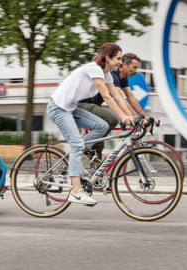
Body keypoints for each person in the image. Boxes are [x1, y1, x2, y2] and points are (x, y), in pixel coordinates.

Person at [46, 43, 134, 205]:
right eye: (118, 59)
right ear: (107, 58)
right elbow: (107, 97)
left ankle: (79, 152)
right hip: (58, 108)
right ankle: (76, 191)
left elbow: (117, 96)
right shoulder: (94, 69)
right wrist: (122, 116)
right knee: (77, 145)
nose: (120, 62)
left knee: (102, 126)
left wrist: (131, 117)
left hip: (70, 108)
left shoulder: (107, 75)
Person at [77, 53, 150, 160]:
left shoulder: (123, 78)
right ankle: (85, 148)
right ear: (125, 65)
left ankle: (95, 172)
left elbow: (131, 97)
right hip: (83, 104)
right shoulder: (113, 74)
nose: (136, 71)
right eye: (134, 67)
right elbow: (120, 99)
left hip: (92, 106)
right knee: (110, 121)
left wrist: (143, 116)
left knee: (99, 142)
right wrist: (134, 118)